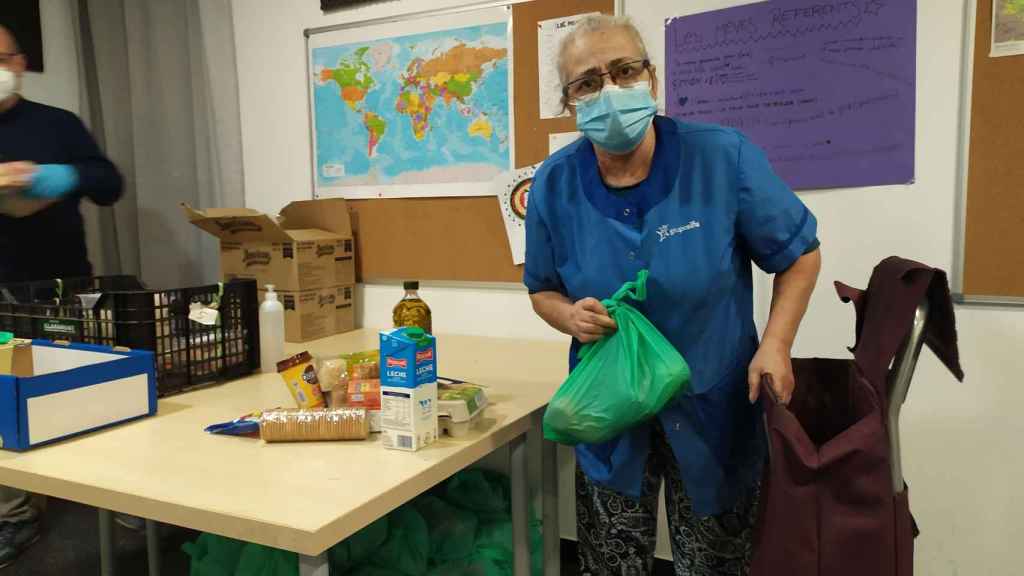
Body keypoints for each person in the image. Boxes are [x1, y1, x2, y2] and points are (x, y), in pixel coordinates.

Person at [525, 15, 821, 576]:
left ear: (651, 78)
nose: (609, 91)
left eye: (624, 70)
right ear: (569, 103)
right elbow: (542, 289)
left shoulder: (721, 157)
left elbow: (800, 255)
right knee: (611, 563)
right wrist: (568, 316)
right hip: (610, 410)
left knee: (714, 562)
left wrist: (777, 345)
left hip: (715, 403)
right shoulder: (553, 185)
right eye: (587, 83)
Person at [0, 24, 124, 567]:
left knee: (79, 388)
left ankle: (113, 494)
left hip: (62, 285)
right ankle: (15, 513)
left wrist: (62, 174)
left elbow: (109, 183)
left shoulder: (57, 124)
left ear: (21, 62)